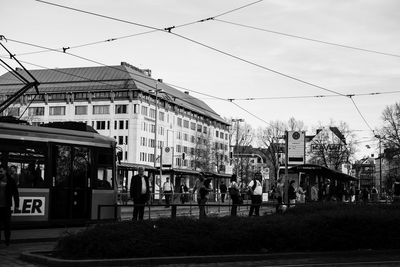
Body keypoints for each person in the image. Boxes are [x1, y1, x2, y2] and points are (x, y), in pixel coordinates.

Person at [0, 164, 20, 246]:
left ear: (5, 171)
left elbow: (15, 193)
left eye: (1, 171)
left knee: (7, 225)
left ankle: (7, 241)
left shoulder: (11, 180)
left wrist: (17, 205)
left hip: (6, 206)